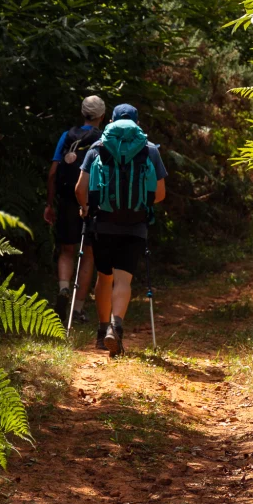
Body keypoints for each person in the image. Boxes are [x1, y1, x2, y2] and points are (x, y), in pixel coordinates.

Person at [74, 103, 167, 356]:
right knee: (123, 278)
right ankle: (116, 326)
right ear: (137, 122)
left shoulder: (98, 148)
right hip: (135, 225)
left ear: (111, 121)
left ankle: (102, 331)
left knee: (104, 277)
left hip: (102, 223)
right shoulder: (149, 150)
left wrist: (85, 209)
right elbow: (159, 194)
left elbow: (80, 190)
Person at [45, 95, 106, 323]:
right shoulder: (104, 140)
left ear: (83, 113)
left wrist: (50, 204)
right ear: (102, 116)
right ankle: (78, 309)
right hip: (92, 203)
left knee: (67, 250)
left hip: (68, 202)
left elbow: (53, 173)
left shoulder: (67, 136)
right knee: (88, 254)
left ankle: (63, 289)